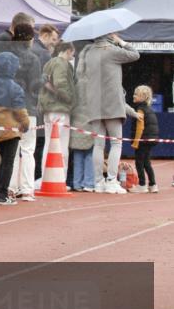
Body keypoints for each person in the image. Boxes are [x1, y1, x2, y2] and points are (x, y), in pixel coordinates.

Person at [75, 32, 140, 194]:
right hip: (112, 104)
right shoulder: (111, 51)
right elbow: (135, 54)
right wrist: (120, 41)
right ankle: (111, 180)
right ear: (108, 35)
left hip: (94, 104)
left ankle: (98, 181)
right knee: (116, 143)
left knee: (98, 145)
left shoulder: (89, 53)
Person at [0, 21, 42, 201]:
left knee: (9, 153)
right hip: (26, 106)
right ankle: (27, 189)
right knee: (27, 149)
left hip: (4, 107)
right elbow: (35, 85)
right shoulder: (33, 58)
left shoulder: (5, 55)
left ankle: (9, 187)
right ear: (29, 38)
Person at [0, 52, 31, 205]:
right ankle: (1, 193)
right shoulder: (15, 87)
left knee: (1, 160)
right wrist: (26, 124)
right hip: (11, 130)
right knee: (8, 162)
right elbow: (20, 111)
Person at [39, 42, 76, 173]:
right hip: (60, 109)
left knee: (49, 144)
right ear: (68, 51)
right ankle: (60, 177)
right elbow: (61, 84)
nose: (72, 56)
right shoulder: (62, 64)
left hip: (48, 109)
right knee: (61, 145)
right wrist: (69, 99)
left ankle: (45, 176)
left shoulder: (49, 63)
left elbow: (44, 82)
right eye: (72, 53)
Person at [129, 85, 159, 193]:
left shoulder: (140, 110)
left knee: (139, 162)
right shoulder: (149, 109)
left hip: (143, 140)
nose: (133, 96)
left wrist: (136, 142)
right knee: (147, 162)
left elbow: (140, 127)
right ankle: (153, 184)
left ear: (142, 97)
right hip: (150, 139)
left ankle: (142, 185)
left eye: (136, 94)